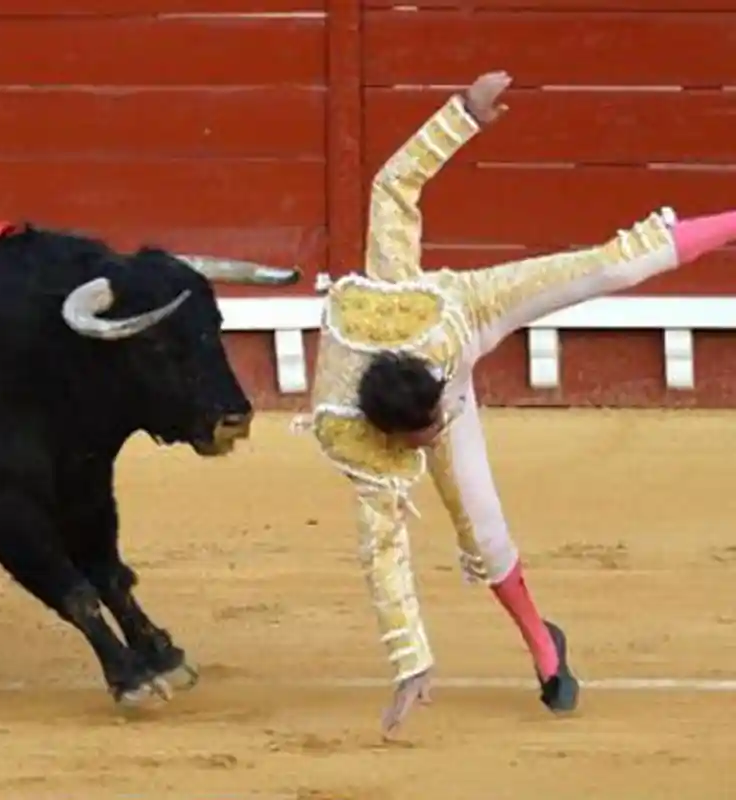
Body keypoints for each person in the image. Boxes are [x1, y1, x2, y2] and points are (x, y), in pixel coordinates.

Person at [298, 69, 736, 737]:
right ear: (397, 438)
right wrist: (411, 660)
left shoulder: (404, 296)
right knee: (483, 531)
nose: (441, 423)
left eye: (440, 413)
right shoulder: (353, 437)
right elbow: (381, 548)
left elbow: (393, 186)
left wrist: (462, 114)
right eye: (429, 429)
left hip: (465, 312)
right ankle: (543, 644)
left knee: (610, 264)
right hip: (432, 362)